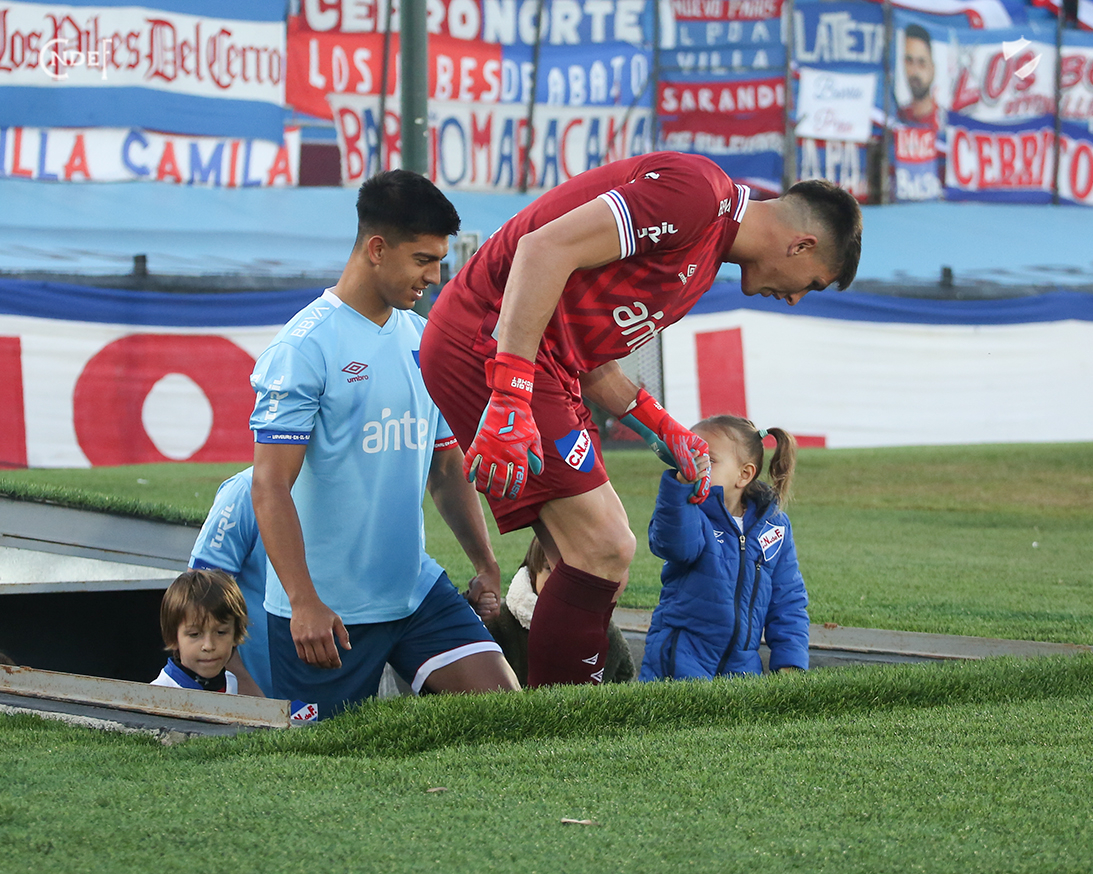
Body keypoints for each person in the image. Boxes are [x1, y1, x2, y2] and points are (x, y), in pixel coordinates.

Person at [419, 151, 859, 687]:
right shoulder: (698, 194)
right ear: (802, 245)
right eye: (812, 284)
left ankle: (547, 704)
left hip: (539, 363)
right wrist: (510, 393)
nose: (794, 299)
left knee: (591, 564)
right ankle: (562, 719)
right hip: (487, 344)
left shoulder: (706, 254)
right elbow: (542, 249)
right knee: (603, 547)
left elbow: (585, 349)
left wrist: (658, 423)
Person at [250, 169, 518, 719]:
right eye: (423, 259)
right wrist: (303, 601)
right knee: (325, 763)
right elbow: (269, 485)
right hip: (327, 611)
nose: (435, 276)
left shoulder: (423, 340)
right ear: (377, 249)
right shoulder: (303, 349)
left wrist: (484, 562)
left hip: (414, 590)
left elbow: (446, 468)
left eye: (439, 261)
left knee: (503, 711)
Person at [639, 416, 809, 680]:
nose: (695, 464)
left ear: (744, 474)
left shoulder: (774, 526)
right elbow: (674, 546)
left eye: (708, 459)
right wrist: (679, 489)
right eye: (690, 455)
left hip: (743, 665)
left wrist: (791, 660)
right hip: (681, 657)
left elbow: (788, 599)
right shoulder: (690, 511)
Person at [485, 537, 634, 686]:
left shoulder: (606, 633)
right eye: (550, 569)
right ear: (532, 573)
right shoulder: (500, 624)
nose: (562, 582)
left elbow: (623, 678)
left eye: (575, 574)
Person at [189, 466, 269, 697]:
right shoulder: (243, 491)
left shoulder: (351, 483)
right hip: (256, 692)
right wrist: (242, 683)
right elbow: (200, 595)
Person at [150, 569, 248, 693]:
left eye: (221, 632)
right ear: (173, 638)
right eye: (194, 634)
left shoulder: (230, 682)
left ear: (236, 634)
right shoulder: (157, 693)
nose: (209, 646)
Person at [898, 24, 939, 128]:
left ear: (932, 69)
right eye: (909, 61)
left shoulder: (943, 123)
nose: (915, 71)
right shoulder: (896, 119)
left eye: (921, 63)